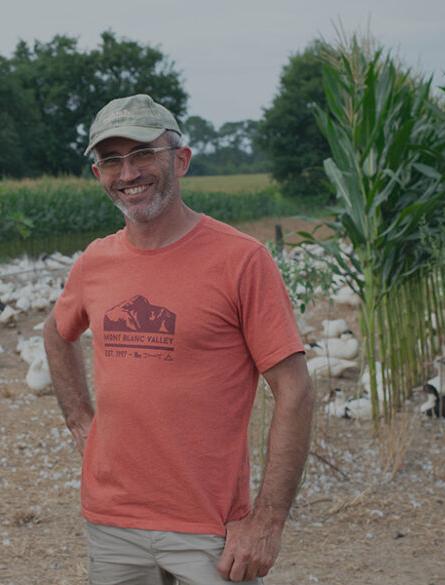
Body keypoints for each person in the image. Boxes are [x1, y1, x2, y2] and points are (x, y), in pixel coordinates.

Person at [44, 94, 314, 585]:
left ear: (181, 159)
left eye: (143, 153)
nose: (128, 173)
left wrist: (267, 520)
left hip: (210, 528)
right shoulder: (94, 261)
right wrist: (80, 420)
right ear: (98, 174)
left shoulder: (241, 260)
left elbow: (295, 392)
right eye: (111, 160)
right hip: (113, 524)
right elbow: (56, 333)